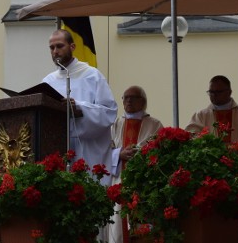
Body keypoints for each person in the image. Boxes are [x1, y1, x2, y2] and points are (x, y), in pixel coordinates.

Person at [43, 29, 117, 184]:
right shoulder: (48, 82)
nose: (55, 51)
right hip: (59, 153)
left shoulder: (92, 75)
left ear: (72, 46)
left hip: (88, 153)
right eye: (52, 48)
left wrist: (79, 107)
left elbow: (109, 112)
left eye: (59, 46)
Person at [109, 86, 163, 243]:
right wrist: (118, 154)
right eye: (125, 97)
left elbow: (158, 148)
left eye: (133, 97)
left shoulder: (154, 124)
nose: (128, 100)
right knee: (118, 225)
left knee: (143, 227)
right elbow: (105, 149)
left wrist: (136, 152)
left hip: (144, 184)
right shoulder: (115, 124)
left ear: (143, 101)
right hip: (119, 181)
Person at [184, 75, 238, 144]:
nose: (214, 95)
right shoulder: (200, 115)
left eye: (218, 92)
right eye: (211, 92)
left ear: (229, 92)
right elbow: (190, 136)